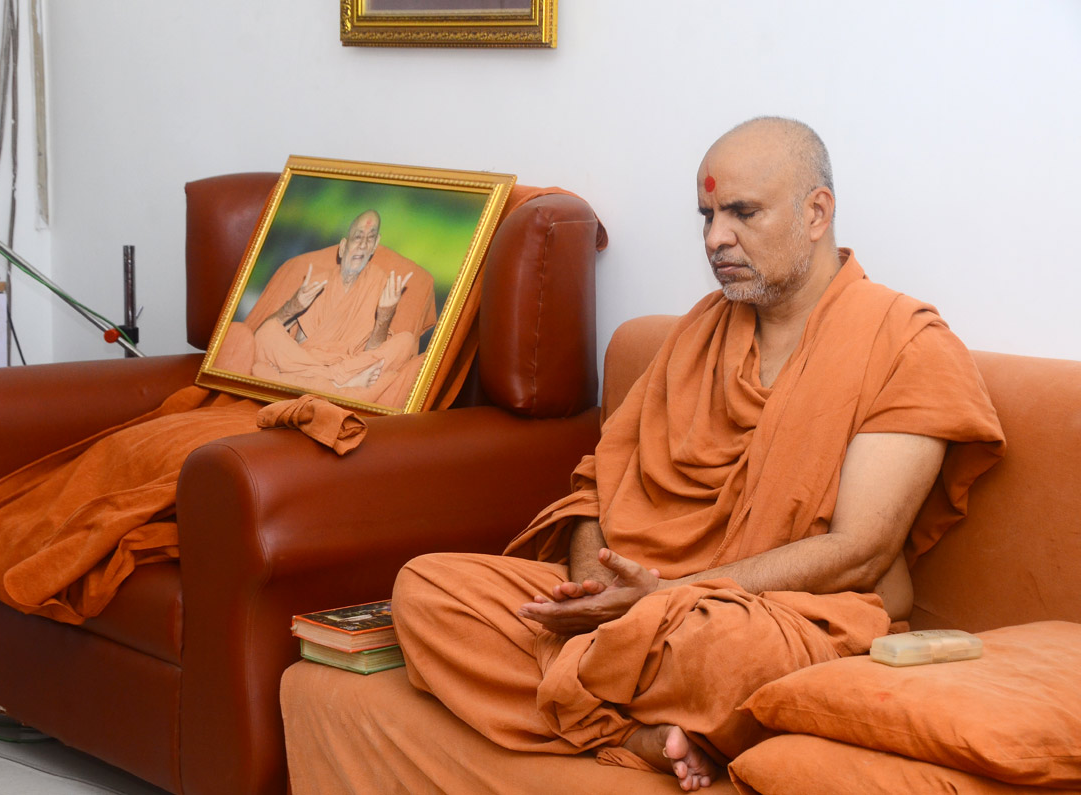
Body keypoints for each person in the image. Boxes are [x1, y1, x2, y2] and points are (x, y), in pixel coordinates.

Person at [390, 117, 1005, 790]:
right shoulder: (698, 333)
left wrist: (660, 600)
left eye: (742, 212)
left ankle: (594, 693)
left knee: (730, 655)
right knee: (426, 591)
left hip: (775, 617)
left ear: (816, 212)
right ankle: (639, 733)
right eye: (708, 216)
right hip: (639, 605)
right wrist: (597, 590)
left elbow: (859, 549)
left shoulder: (906, 344)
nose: (715, 238)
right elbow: (599, 486)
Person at [213, 209, 437, 409]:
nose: (362, 245)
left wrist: (384, 316)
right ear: (343, 247)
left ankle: (293, 383)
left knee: (404, 341)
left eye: (369, 239)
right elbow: (274, 337)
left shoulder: (381, 285)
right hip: (316, 363)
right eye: (357, 237)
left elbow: (372, 352)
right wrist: (294, 306)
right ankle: (339, 387)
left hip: (348, 364)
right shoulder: (317, 281)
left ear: (375, 246)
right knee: (268, 332)